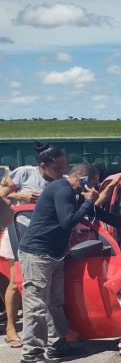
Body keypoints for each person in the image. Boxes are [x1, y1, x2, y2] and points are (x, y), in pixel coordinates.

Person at [17, 163, 118, 363]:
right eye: (92, 183)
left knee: (55, 302)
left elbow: (93, 214)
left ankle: (58, 344)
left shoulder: (72, 194)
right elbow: (68, 222)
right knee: (36, 304)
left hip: (53, 254)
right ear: (82, 178)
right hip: (37, 254)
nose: (93, 188)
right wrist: (88, 200)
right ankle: (31, 353)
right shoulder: (62, 189)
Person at [0, 143, 68, 349]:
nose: (62, 172)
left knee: (49, 294)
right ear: (43, 165)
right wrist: (20, 196)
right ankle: (11, 328)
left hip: (45, 240)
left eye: (65, 168)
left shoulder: (61, 183)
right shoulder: (24, 174)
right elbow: (2, 192)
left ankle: (55, 337)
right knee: (15, 282)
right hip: (19, 232)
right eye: (58, 168)